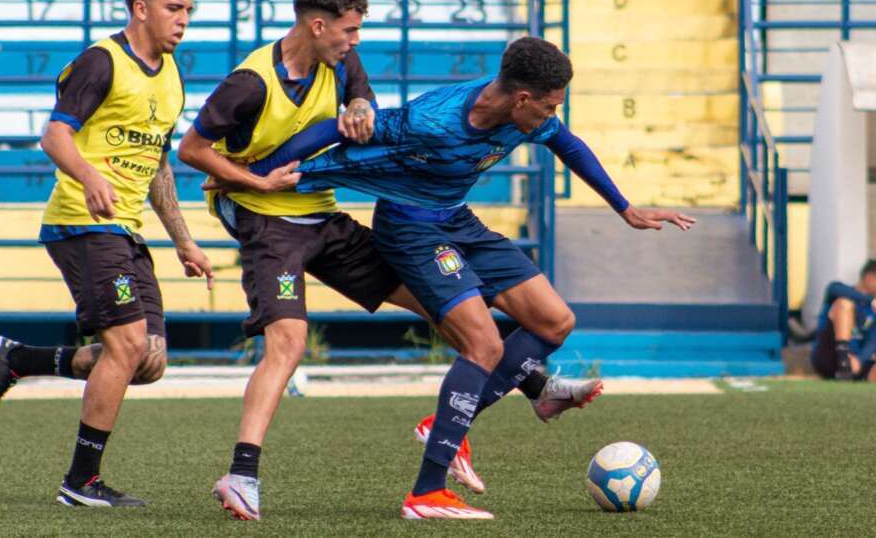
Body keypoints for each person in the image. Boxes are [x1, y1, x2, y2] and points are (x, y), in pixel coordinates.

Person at [177, 0, 594, 521]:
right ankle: (242, 475)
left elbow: (357, 103)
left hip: (323, 216)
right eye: (349, 30)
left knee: (449, 306)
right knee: (289, 341)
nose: (356, 41)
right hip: (268, 223)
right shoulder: (249, 84)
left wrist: (360, 104)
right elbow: (191, 150)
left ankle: (533, 385)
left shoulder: (342, 60)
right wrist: (253, 181)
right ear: (317, 25)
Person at [248, 36, 696, 519]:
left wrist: (624, 208)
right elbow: (334, 130)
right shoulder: (431, 120)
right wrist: (256, 171)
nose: (551, 117)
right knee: (483, 345)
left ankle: (455, 420)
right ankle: (426, 493)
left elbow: (568, 144)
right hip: (411, 228)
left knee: (554, 321)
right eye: (547, 107)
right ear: (521, 99)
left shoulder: (530, 116)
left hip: (456, 219)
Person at [0, 0, 213, 507]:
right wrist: (89, 177)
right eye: (175, 9)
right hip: (83, 223)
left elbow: (157, 163)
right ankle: (80, 483)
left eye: (189, 12)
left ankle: (18, 360)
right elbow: (54, 136)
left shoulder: (172, 75)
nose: (183, 21)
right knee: (127, 345)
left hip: (127, 230)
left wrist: (182, 238)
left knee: (147, 360)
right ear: (141, 9)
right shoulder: (100, 62)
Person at [811, 259, 876, 381]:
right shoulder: (840, 290)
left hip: (856, 361)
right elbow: (833, 288)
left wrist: (860, 360)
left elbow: (873, 340)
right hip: (830, 357)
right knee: (844, 303)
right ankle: (843, 364)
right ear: (870, 278)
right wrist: (870, 301)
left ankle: (851, 371)